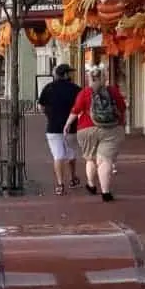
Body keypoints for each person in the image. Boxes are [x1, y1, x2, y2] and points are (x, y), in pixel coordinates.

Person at [64, 66, 126, 202]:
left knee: (90, 158)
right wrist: (122, 124)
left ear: (90, 79)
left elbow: (76, 110)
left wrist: (67, 124)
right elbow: (122, 108)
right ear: (104, 78)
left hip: (87, 129)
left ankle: (91, 185)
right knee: (105, 160)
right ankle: (106, 193)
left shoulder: (85, 92)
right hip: (111, 129)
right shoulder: (113, 92)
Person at [38, 64, 82, 195]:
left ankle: (60, 184)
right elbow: (81, 107)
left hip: (53, 128)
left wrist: (49, 116)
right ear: (66, 74)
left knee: (58, 155)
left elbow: (41, 106)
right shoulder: (75, 89)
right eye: (70, 73)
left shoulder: (48, 88)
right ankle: (73, 178)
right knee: (71, 153)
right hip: (71, 127)